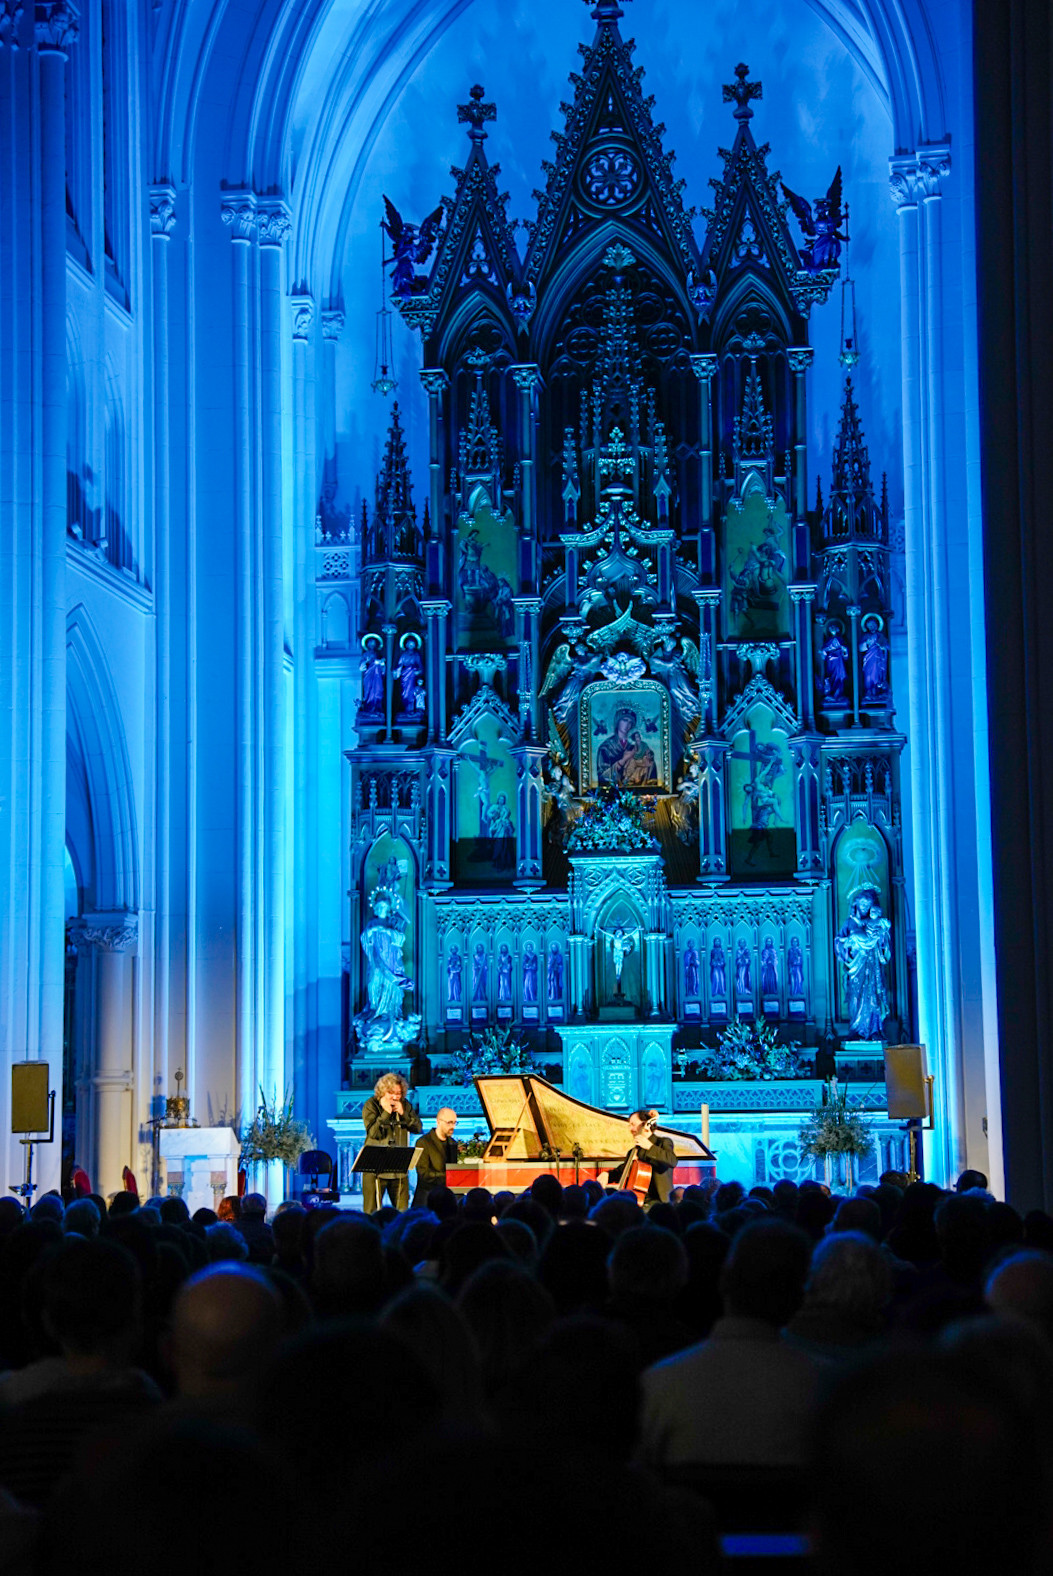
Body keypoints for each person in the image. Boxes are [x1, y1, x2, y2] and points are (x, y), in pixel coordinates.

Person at [361, 1072, 422, 1214]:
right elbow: (374, 1133)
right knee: (372, 1212)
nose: (395, 1097)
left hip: (398, 1168)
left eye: (399, 1093)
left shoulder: (405, 1105)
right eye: (391, 1093)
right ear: (382, 1092)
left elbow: (418, 1127)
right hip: (375, 1168)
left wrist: (404, 1114)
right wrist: (386, 1113)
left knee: (402, 1212)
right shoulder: (371, 1105)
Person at [601, 1110, 677, 1208]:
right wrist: (607, 1175)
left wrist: (650, 1146)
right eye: (629, 1125)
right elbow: (623, 1170)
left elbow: (672, 1161)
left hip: (659, 1202)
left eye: (633, 1124)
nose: (630, 1128)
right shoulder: (633, 1151)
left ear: (645, 1124)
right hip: (638, 1200)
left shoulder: (663, 1142)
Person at [412, 1109, 459, 1207]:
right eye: (449, 1123)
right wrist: (448, 1177)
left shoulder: (453, 1143)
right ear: (438, 1121)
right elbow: (423, 1174)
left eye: (455, 1123)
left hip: (447, 1200)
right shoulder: (423, 1142)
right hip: (427, 1199)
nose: (452, 1127)